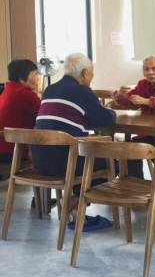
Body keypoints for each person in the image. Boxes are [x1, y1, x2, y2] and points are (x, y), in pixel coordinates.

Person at [32, 53, 116, 231]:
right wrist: (111, 110)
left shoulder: (49, 90)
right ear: (84, 73)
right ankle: (76, 204)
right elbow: (106, 119)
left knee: (82, 156)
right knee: (111, 163)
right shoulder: (82, 91)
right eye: (91, 73)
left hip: (40, 163)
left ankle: (75, 204)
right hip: (65, 163)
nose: (91, 77)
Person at [112, 55, 155, 183]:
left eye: (154, 69)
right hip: (148, 133)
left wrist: (146, 101)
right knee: (131, 148)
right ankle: (137, 185)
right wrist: (120, 96)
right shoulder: (142, 84)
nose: (150, 72)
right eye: (147, 69)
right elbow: (130, 101)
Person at [0, 59, 41, 163]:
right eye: (35, 74)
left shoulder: (8, 90)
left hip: (4, 147)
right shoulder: (23, 93)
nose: (38, 78)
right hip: (11, 151)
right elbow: (44, 116)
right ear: (22, 77)